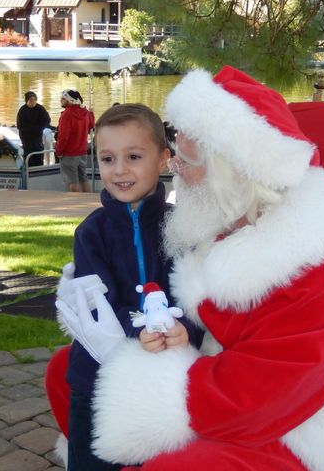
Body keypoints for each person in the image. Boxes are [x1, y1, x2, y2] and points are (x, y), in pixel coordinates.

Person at [53, 66, 324, 470]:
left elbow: (256, 397)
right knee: (67, 372)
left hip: (307, 415)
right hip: (232, 370)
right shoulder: (232, 214)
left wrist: (132, 368)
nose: (174, 167)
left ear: (230, 167)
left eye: (185, 157)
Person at [57, 103, 203, 470]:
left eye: (134, 156)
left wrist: (185, 329)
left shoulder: (182, 228)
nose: (119, 170)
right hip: (97, 378)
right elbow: (95, 302)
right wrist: (139, 328)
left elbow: (198, 294)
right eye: (107, 159)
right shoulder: (91, 233)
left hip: (166, 380)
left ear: (163, 159)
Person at [55, 89, 95, 192]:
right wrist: (91, 114)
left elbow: (63, 137)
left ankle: (73, 203)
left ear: (69, 100)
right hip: (82, 151)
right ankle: (87, 201)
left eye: (63, 99)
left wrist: (59, 151)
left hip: (69, 153)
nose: (61, 100)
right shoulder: (85, 112)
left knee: (72, 181)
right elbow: (91, 125)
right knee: (83, 178)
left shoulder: (66, 115)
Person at [16, 90, 51, 167]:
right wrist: (30, 129)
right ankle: (29, 173)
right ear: (27, 100)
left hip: (37, 138)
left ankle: (39, 173)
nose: (33, 101)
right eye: (31, 99)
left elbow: (47, 120)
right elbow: (19, 125)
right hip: (26, 139)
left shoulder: (40, 108)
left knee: (39, 157)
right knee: (29, 159)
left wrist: (38, 128)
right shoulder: (22, 110)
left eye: (34, 99)